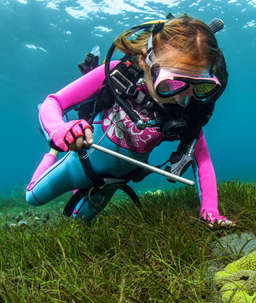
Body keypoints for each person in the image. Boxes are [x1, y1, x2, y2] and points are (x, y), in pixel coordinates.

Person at [25, 14, 234, 226]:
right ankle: (52, 154)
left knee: (79, 222)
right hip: (80, 162)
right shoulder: (118, 73)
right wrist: (58, 130)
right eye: (171, 83)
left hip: (113, 181)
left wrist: (211, 213)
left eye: (199, 86)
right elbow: (54, 102)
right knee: (32, 197)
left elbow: (202, 160)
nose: (182, 97)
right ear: (147, 60)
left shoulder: (187, 110)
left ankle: (84, 191)